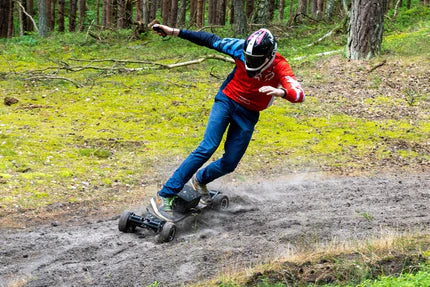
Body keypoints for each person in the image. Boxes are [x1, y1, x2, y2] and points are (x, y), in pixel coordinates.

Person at [150, 24, 305, 221]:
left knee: (230, 163)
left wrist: (282, 92)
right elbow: (209, 40)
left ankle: (200, 180)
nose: (250, 62)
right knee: (207, 146)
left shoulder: (280, 65)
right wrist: (173, 31)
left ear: (269, 56)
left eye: (255, 60)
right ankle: (165, 195)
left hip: (249, 114)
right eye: (248, 58)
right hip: (227, 100)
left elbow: (299, 93)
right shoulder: (238, 47)